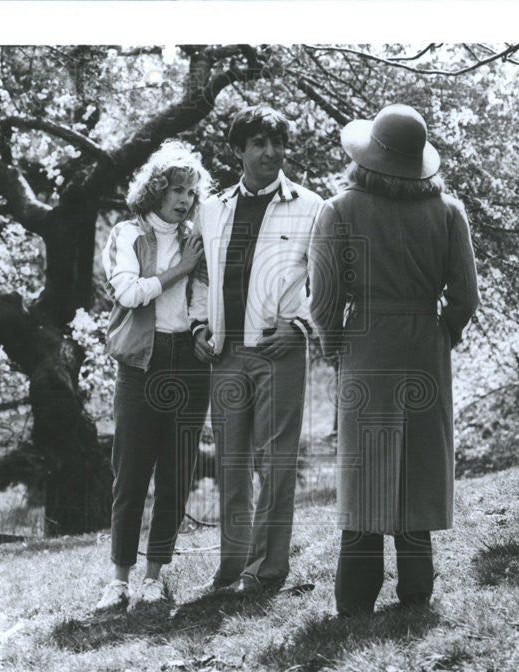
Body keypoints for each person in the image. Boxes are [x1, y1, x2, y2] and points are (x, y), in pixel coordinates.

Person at [308, 104, 479, 616]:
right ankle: (416, 592)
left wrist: (333, 345)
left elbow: (322, 299)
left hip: (365, 343)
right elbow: (465, 296)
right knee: (419, 464)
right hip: (425, 344)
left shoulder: (338, 210)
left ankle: (356, 599)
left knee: (366, 467)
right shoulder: (449, 212)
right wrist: (441, 333)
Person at [189, 106, 324, 595]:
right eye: (259, 143)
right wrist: (198, 325)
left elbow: (330, 281)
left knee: (275, 463)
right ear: (239, 151)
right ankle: (231, 568)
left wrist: (302, 326)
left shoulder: (312, 206)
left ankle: (266, 573)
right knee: (231, 464)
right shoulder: (210, 208)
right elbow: (201, 276)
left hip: (278, 352)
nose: (271, 152)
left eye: (278, 143)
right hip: (224, 354)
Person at [95, 140, 212, 611]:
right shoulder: (128, 235)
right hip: (141, 362)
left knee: (177, 472)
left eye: (191, 191)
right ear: (156, 190)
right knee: (131, 472)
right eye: (176, 189)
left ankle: (153, 577)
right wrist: (177, 270)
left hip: (188, 361)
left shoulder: (193, 240)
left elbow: (201, 291)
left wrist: (202, 327)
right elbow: (128, 292)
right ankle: (119, 579)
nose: (184, 199)